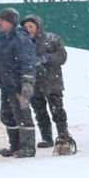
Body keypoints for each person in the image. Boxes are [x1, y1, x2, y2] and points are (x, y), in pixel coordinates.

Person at [0, 7, 40, 158]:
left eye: (2, 20)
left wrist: (27, 82)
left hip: (19, 86)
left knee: (22, 115)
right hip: (6, 85)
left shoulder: (21, 39)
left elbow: (27, 62)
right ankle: (15, 145)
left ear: (11, 22)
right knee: (7, 116)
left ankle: (28, 147)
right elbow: (3, 62)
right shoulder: (5, 38)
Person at [22, 13, 74, 153]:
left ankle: (63, 135)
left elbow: (62, 56)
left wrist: (46, 58)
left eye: (31, 26)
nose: (29, 29)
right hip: (34, 83)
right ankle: (47, 138)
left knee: (57, 110)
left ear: (38, 26)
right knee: (40, 112)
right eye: (26, 27)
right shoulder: (22, 42)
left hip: (52, 82)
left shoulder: (51, 39)